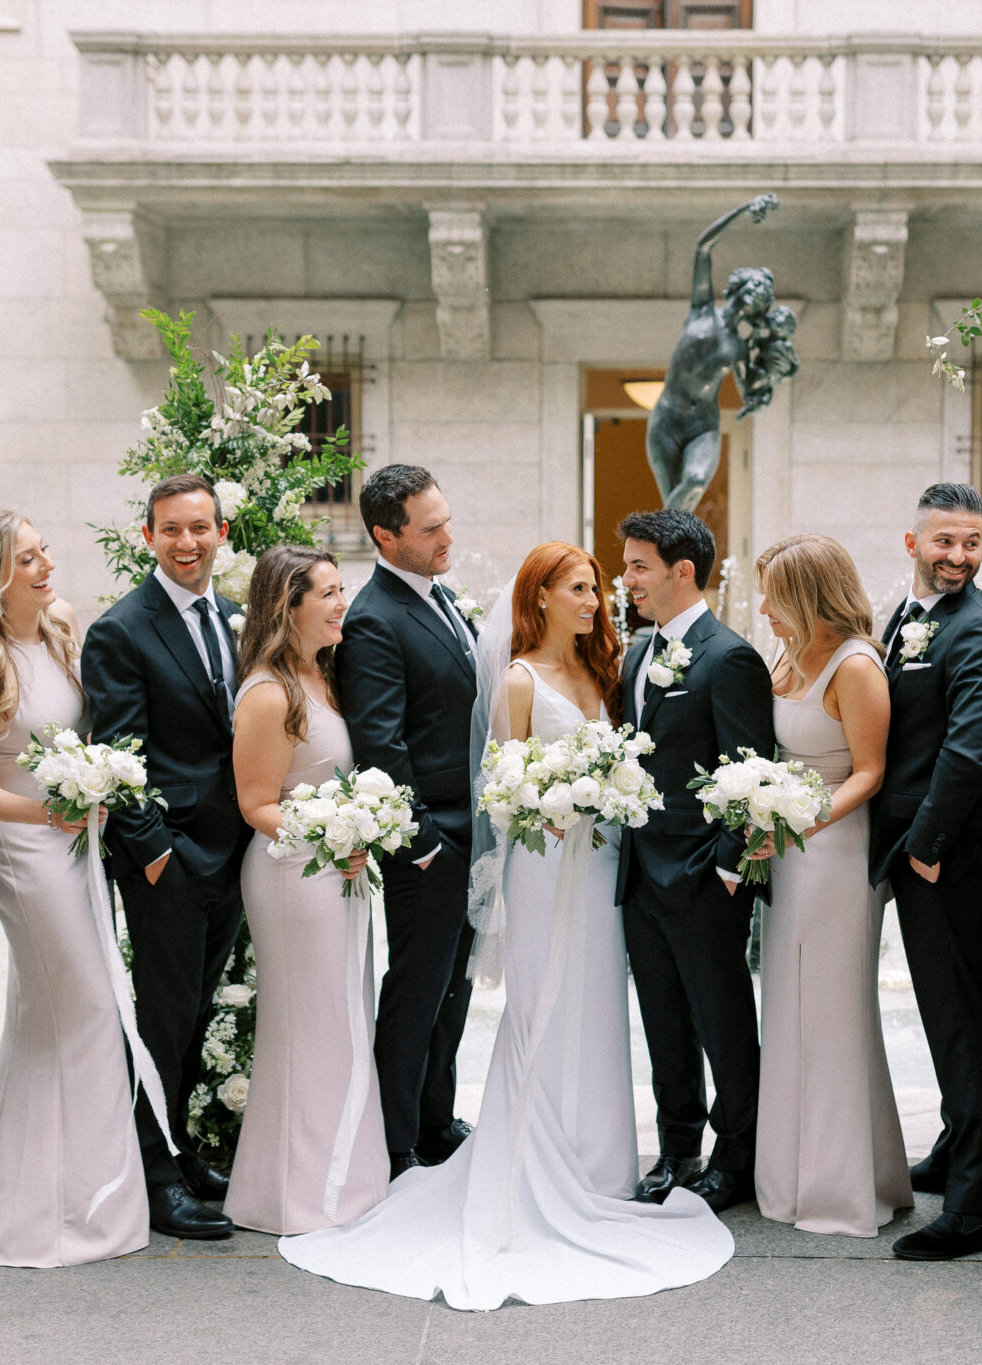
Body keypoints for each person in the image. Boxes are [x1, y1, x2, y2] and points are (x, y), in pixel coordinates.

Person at [286, 543, 732, 1309]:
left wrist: (606, 792)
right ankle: (528, 1163)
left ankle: (600, 1168)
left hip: (601, 867)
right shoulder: (519, 680)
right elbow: (500, 785)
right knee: (543, 1003)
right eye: (580, 588)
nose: (595, 600)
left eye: (598, 587)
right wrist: (552, 801)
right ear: (542, 596)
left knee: (598, 1007)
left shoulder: (604, 674)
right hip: (543, 865)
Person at [0, 507, 148, 1267]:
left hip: (72, 839)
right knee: (87, 1005)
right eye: (25, 558)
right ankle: (60, 1214)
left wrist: (95, 785)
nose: (45, 565)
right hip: (23, 845)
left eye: (43, 550)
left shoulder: (60, 624)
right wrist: (48, 807)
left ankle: (36, 1192)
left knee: (43, 1016)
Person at [83, 473, 249, 1240]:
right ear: (147, 537)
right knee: (162, 1020)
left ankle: (180, 1154)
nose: (188, 542)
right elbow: (120, 752)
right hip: (170, 864)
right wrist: (156, 855)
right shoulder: (121, 630)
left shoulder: (234, 618)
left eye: (201, 528)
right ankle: (154, 1179)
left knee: (192, 1016)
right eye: (172, 529)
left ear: (221, 533)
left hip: (231, 855)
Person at [869, 482, 982, 1261]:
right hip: (908, 844)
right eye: (945, 542)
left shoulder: (978, 631)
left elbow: (969, 749)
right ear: (913, 544)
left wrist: (924, 846)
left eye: (971, 542)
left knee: (960, 1023)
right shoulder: (907, 617)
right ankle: (959, 1147)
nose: (959, 556)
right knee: (939, 1012)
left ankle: (977, 1206)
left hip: (944, 856)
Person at [225, 547, 391, 1235]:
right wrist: (330, 834)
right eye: (325, 593)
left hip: (335, 870)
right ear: (287, 606)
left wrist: (355, 832)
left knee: (342, 1022)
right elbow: (257, 802)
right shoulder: (269, 693)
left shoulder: (322, 678)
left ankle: (345, 1180)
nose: (339, 603)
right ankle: (292, 1196)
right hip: (292, 877)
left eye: (340, 589)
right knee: (307, 1029)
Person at [749, 534, 909, 1238]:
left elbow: (869, 772)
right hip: (784, 849)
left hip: (835, 850)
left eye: (775, 597)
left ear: (810, 596)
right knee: (787, 1002)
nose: (763, 609)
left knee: (833, 1010)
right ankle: (789, 1172)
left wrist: (801, 822)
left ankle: (841, 1185)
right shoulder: (787, 652)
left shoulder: (856, 665)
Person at [616, 509, 776, 1212]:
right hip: (639, 874)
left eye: (637, 566)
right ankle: (676, 1148)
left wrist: (727, 867)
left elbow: (752, 769)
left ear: (683, 571)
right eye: (626, 566)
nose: (627, 580)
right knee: (661, 1020)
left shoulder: (729, 657)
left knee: (723, 1023)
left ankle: (735, 1157)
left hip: (705, 878)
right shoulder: (636, 653)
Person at [337, 464, 479, 1179]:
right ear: (385, 536)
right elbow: (382, 744)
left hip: (470, 832)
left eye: (446, 519)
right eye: (430, 529)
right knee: (417, 991)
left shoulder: (442, 599)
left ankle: (435, 1118)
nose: (447, 536)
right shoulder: (372, 618)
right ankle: (394, 1144)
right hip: (430, 844)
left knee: (456, 986)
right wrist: (425, 843)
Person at [644, 193, 799, 511]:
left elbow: (749, 390)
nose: (757, 295)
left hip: (702, 424)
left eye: (763, 295)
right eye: (754, 287)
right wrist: (743, 211)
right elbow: (703, 247)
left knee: (696, 479)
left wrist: (773, 368)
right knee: (675, 504)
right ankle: (668, 549)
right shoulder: (702, 309)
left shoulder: (739, 346)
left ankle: (656, 543)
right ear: (739, 286)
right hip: (666, 419)